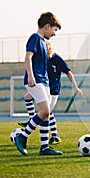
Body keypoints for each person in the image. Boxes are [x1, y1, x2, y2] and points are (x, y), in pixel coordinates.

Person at [14, 12, 63, 155]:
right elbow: (28, 57)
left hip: (44, 81)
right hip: (35, 80)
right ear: (47, 26)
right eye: (54, 30)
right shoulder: (34, 38)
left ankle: (44, 147)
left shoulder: (44, 42)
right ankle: (22, 137)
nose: (54, 34)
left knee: (46, 115)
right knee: (45, 111)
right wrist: (30, 76)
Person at [18, 41, 83, 145]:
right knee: (28, 97)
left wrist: (76, 87)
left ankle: (51, 135)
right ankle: (34, 121)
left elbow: (68, 72)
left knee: (46, 112)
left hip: (53, 91)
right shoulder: (42, 60)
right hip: (45, 88)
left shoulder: (57, 59)